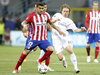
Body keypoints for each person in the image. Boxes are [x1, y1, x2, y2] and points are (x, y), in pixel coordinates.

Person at [12, 2, 65, 74]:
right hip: (33, 39)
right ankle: (16, 68)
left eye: (42, 8)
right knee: (25, 52)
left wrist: (59, 31)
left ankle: (40, 61)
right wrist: (24, 27)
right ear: (35, 8)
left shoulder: (46, 15)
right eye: (39, 8)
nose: (41, 10)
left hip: (43, 39)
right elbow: (24, 22)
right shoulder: (31, 16)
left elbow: (50, 23)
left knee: (51, 49)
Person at [51, 4, 86, 73]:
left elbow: (76, 30)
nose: (65, 13)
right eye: (64, 11)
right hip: (56, 38)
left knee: (70, 50)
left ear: (69, 12)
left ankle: (76, 68)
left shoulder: (69, 21)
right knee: (60, 58)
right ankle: (63, 59)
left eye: (67, 11)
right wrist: (55, 20)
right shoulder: (57, 15)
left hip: (64, 36)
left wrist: (81, 29)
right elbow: (50, 23)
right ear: (61, 11)